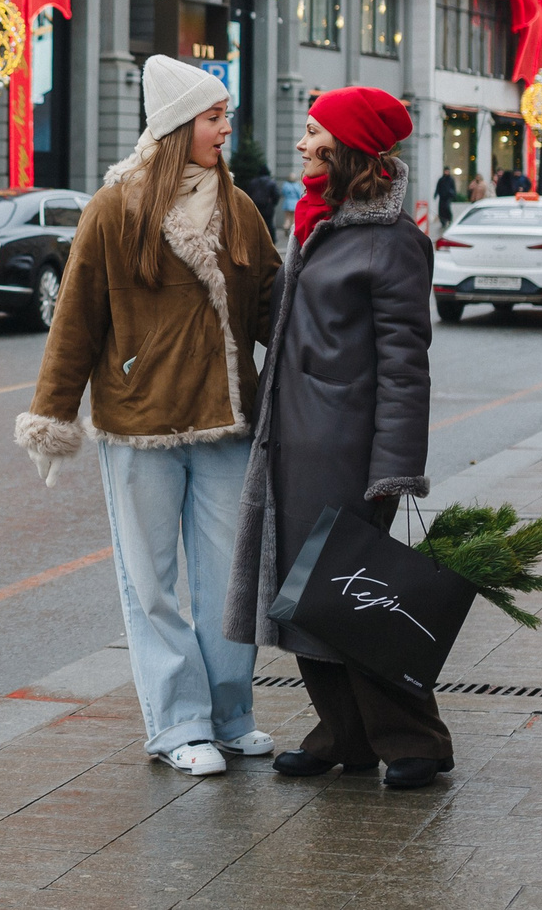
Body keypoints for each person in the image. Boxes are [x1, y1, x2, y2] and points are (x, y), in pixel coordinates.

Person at [16, 56, 283, 777]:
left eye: (225, 116)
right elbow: (75, 318)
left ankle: (231, 715)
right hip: (139, 422)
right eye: (213, 117)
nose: (227, 129)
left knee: (231, 579)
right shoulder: (115, 207)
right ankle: (177, 723)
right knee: (152, 582)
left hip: (228, 422)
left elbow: (274, 311)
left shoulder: (240, 208)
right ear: (175, 127)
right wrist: (52, 413)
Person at [227, 85, 452, 790]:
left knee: (356, 598)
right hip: (293, 446)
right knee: (306, 597)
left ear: (346, 146)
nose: (301, 144)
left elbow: (405, 367)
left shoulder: (393, 244)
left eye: (314, 131)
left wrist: (393, 471)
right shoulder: (315, 222)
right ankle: (344, 733)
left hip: (350, 457)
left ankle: (416, 737)